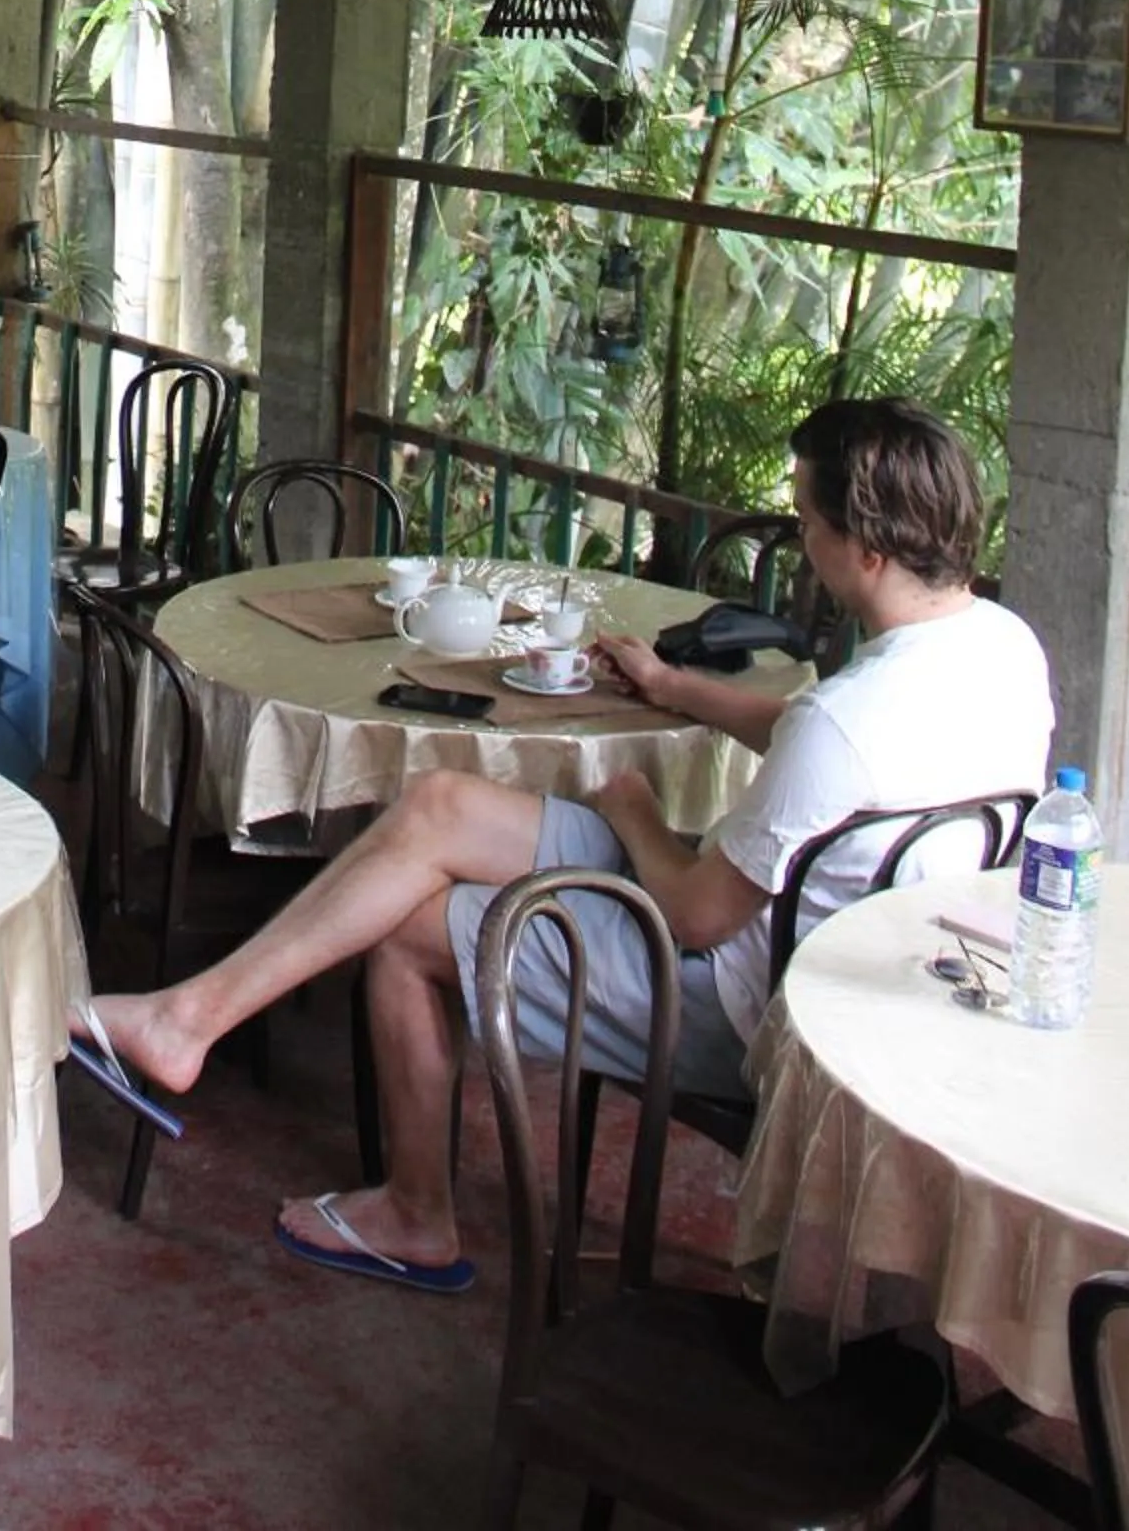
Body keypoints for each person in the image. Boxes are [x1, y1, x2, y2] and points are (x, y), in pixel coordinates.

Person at [87, 397, 1054, 1294]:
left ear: (867, 549)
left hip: (749, 1000)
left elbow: (697, 914)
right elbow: (827, 755)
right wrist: (678, 694)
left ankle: (417, 1214)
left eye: (808, 521)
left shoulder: (842, 724)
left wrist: (630, 808)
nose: (802, 541)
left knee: (410, 929)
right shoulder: (1003, 652)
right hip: (863, 971)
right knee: (436, 808)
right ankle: (193, 1018)